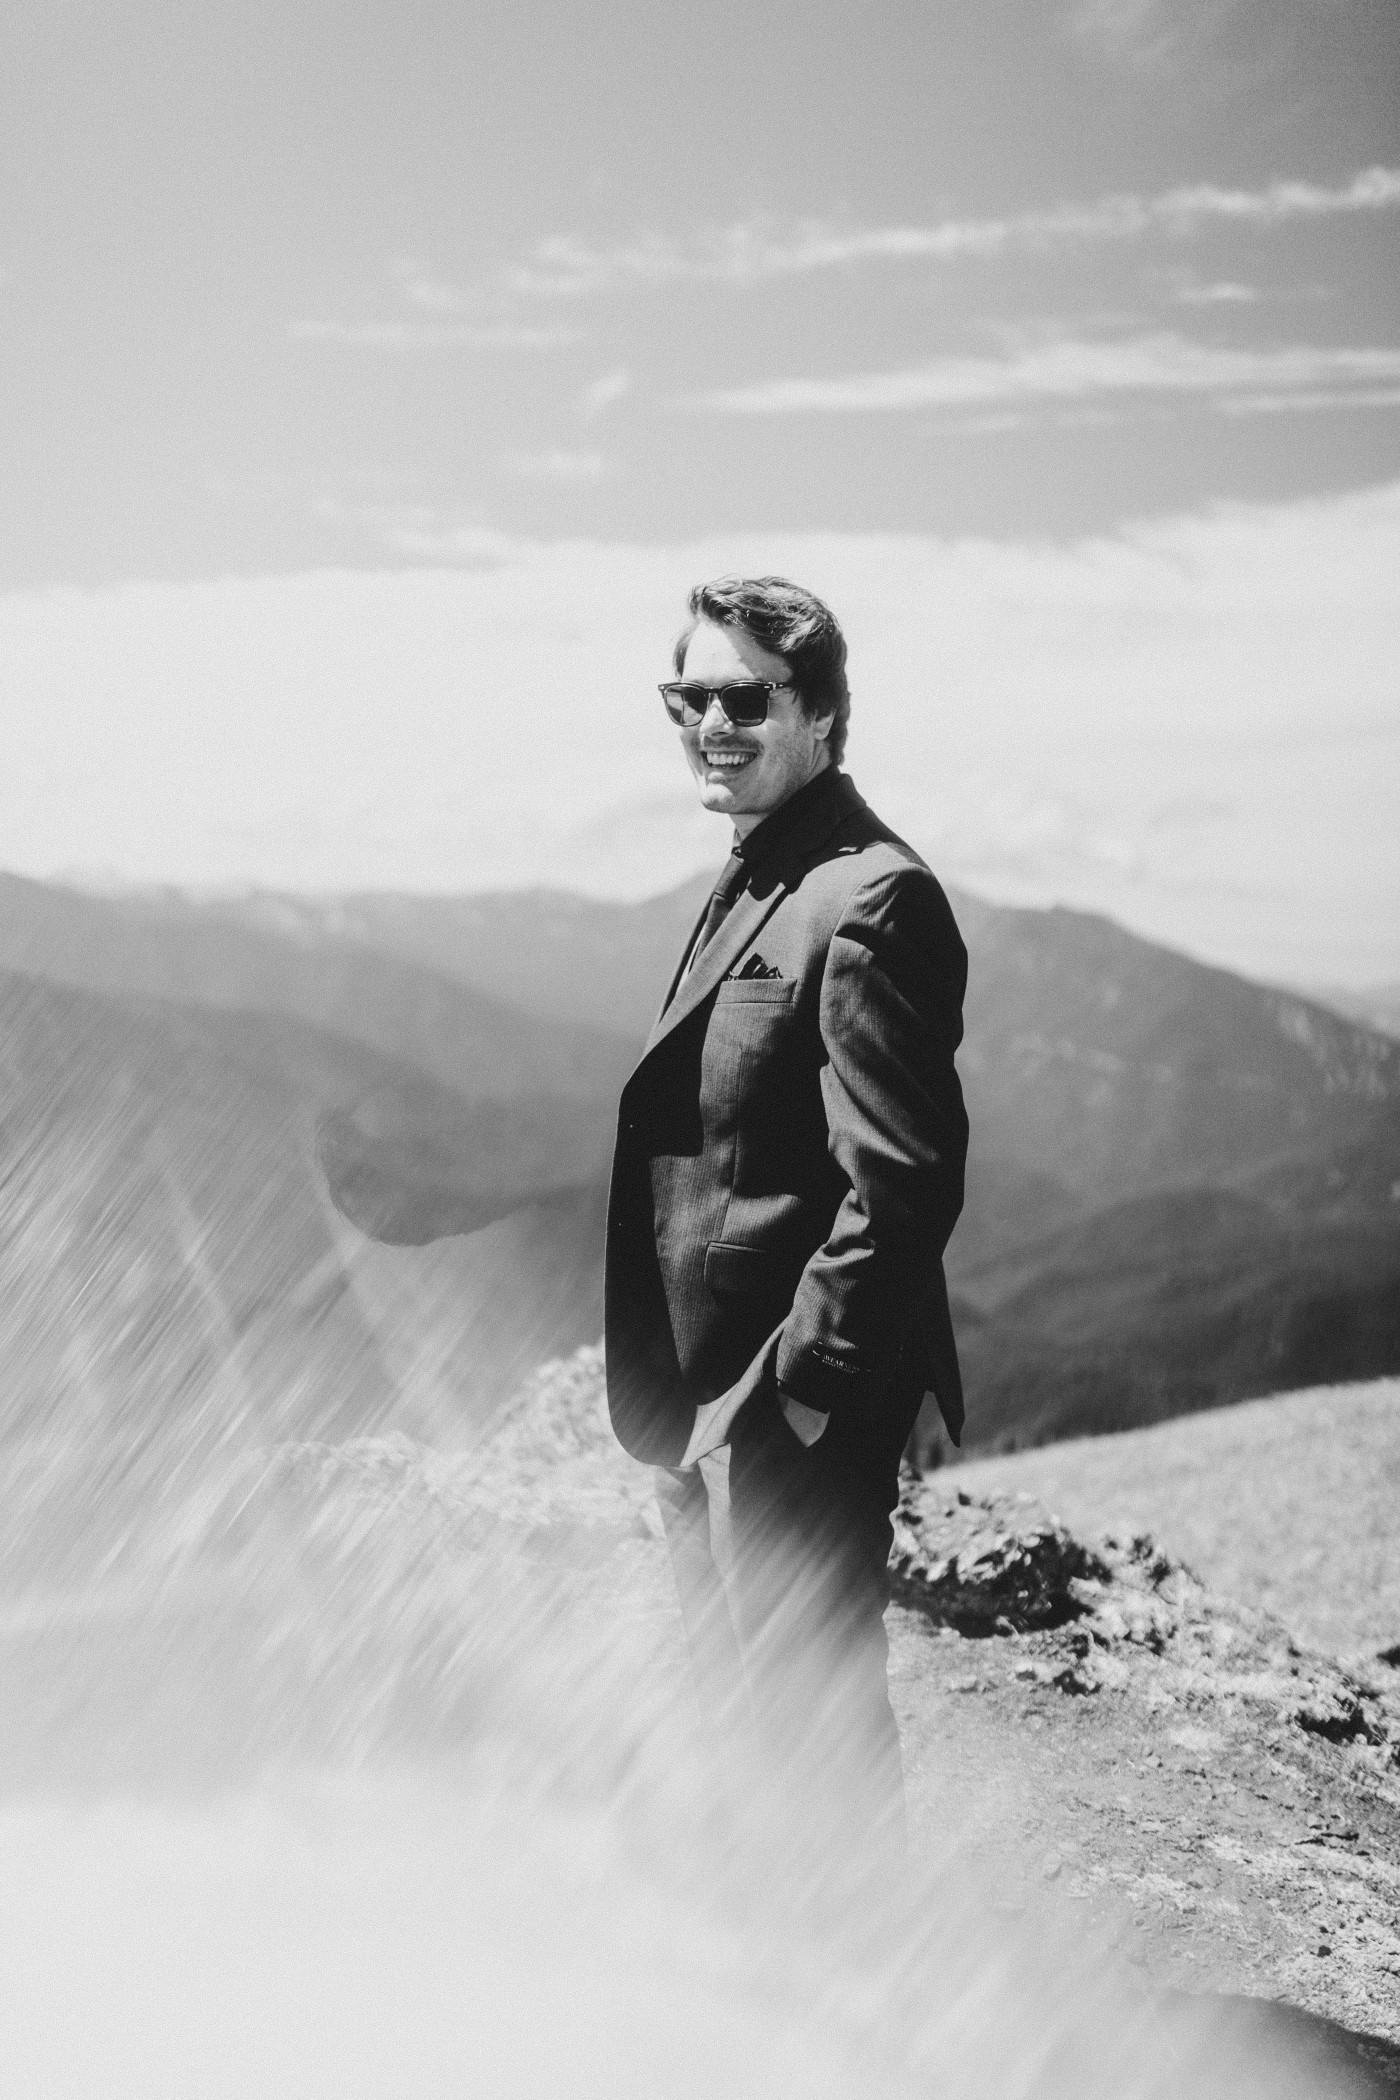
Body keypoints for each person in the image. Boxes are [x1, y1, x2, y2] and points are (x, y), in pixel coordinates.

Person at [604, 575, 968, 1901]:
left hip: (782, 1412)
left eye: (743, 698)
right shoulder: (757, 866)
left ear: (821, 713)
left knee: (806, 1740)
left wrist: (792, 1404)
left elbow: (905, 1184)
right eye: (687, 696)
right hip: (707, 1406)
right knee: (739, 1730)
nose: (710, 721)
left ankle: (873, 2017)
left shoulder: (870, 897)